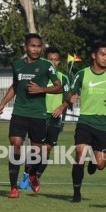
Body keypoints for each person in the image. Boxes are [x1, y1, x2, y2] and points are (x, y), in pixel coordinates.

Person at [0, 33, 62, 198]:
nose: (36, 49)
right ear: (25, 47)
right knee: (15, 143)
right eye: (33, 46)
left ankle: (32, 173)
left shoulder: (47, 65)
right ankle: (13, 187)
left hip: (38, 115)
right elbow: (15, 86)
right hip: (19, 112)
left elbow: (58, 87)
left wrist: (41, 89)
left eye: (39, 46)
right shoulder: (17, 65)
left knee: (37, 152)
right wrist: (3, 103)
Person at [67, 42, 106, 203]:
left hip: (104, 123)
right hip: (85, 120)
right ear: (94, 55)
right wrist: (70, 98)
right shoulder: (82, 74)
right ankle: (76, 193)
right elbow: (69, 94)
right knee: (80, 152)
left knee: (100, 165)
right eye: (102, 54)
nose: (105, 58)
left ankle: (93, 162)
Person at [19, 46, 70, 190]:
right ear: (45, 61)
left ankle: (34, 178)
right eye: (50, 60)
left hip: (54, 118)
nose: (53, 62)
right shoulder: (38, 75)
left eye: (56, 60)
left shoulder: (63, 78)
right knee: (36, 150)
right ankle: (25, 174)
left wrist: (61, 107)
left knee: (47, 150)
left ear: (59, 62)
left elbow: (69, 98)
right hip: (38, 116)